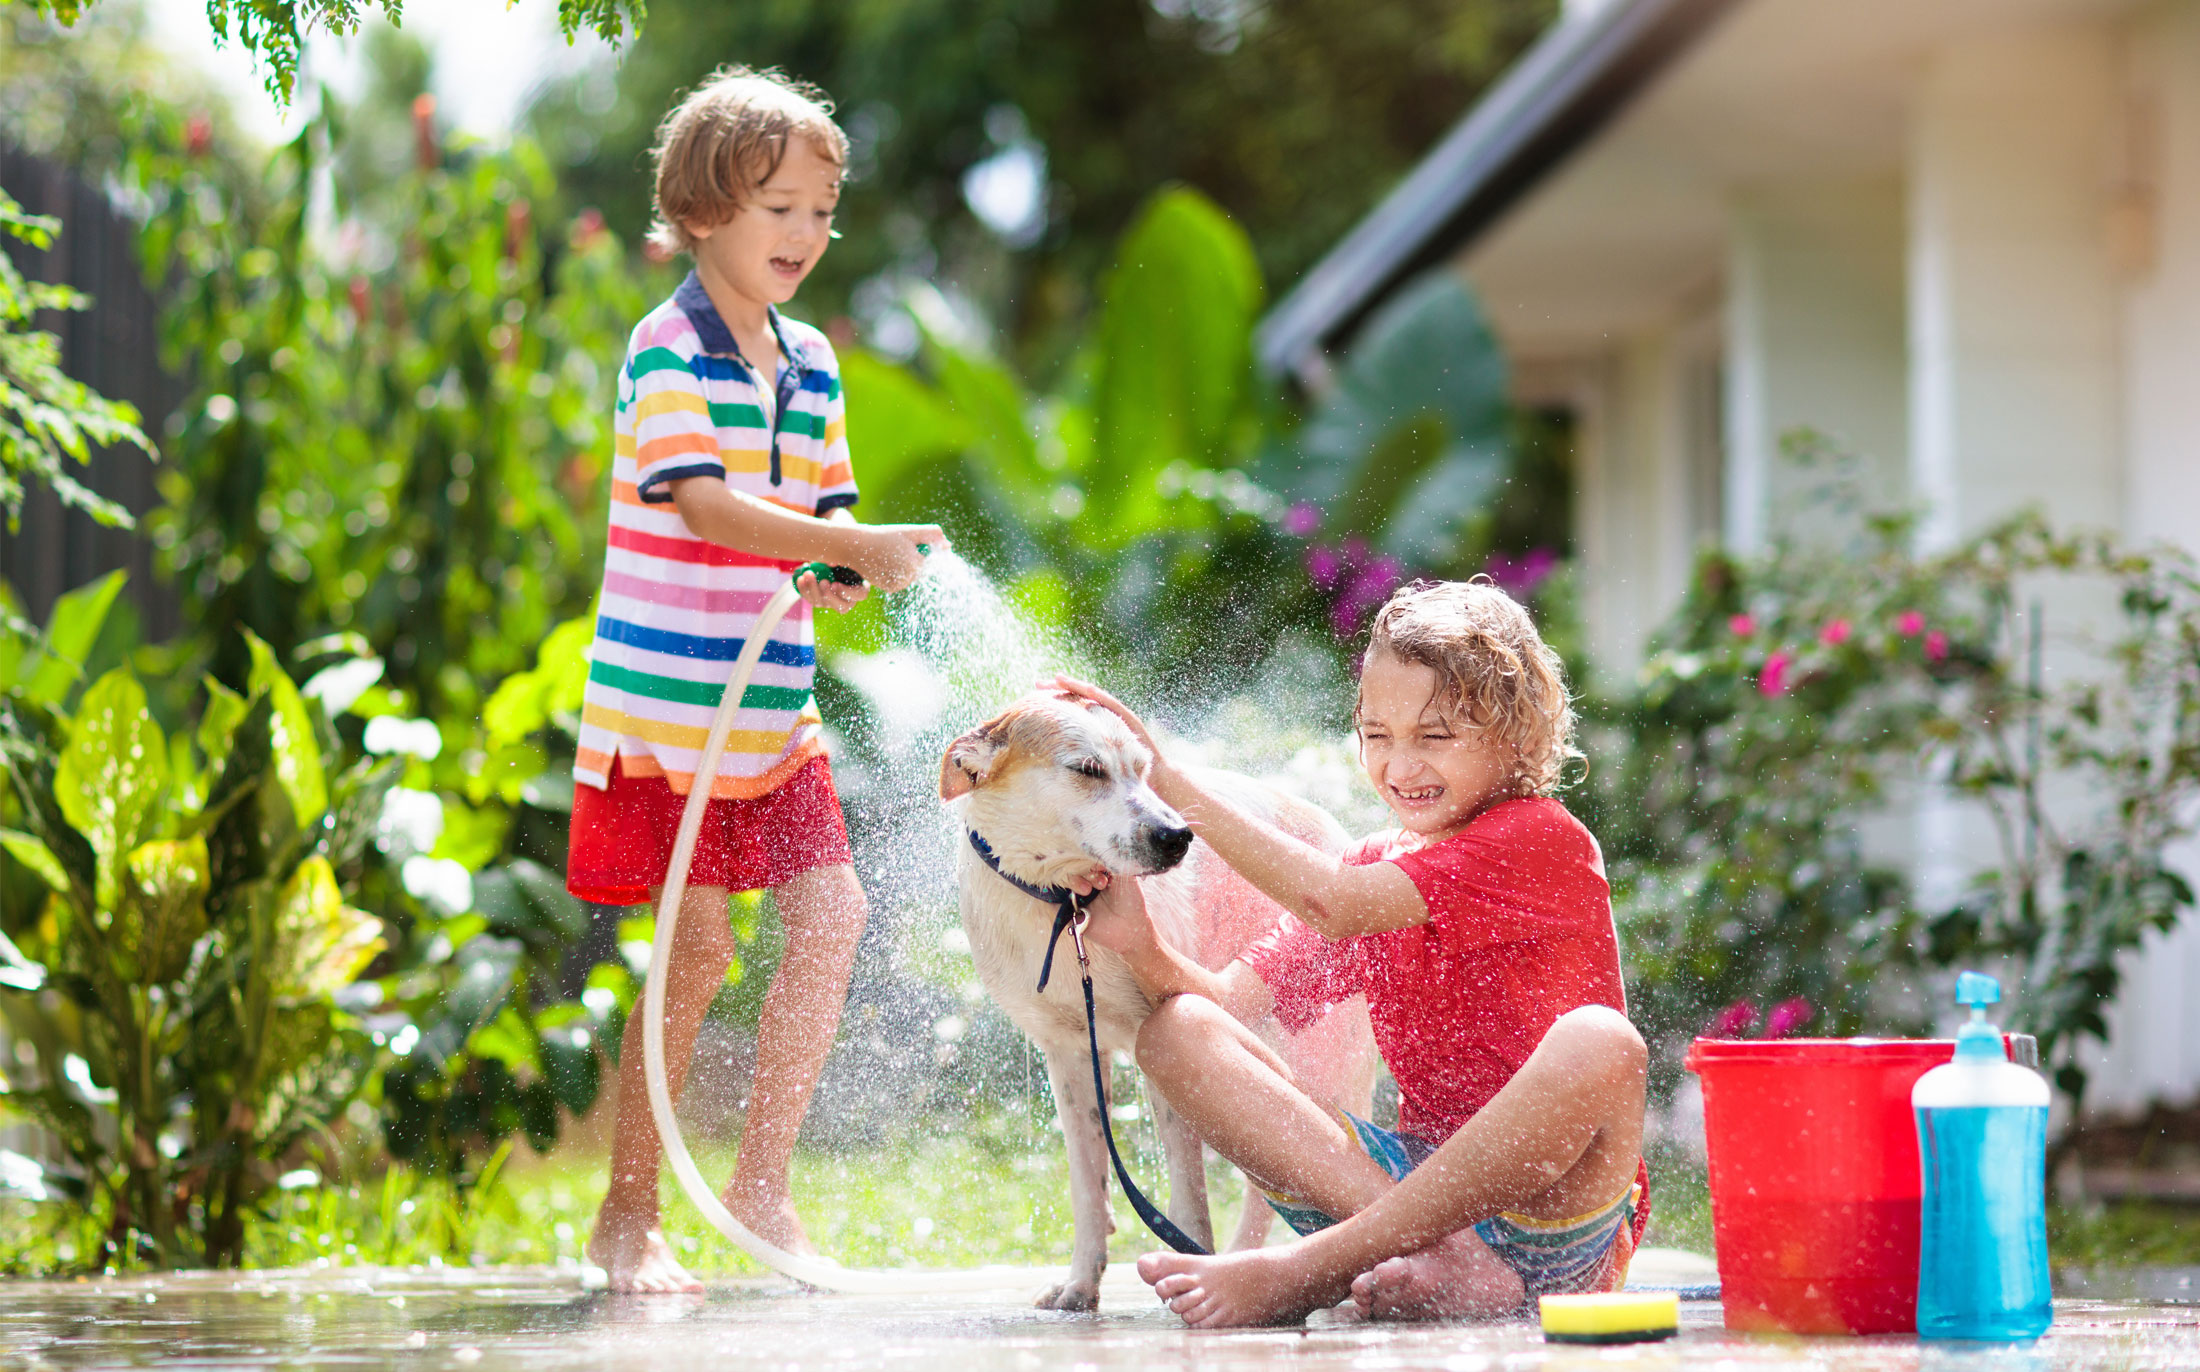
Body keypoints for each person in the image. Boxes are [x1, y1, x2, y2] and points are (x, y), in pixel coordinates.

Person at [565, 66, 944, 1295]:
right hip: (667, 716)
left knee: (830, 917)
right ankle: (629, 1214)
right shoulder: (664, 347)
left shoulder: (815, 358)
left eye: (821, 214)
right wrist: (838, 544)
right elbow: (709, 505)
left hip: (767, 711)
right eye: (779, 207)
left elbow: (818, 506)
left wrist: (843, 560)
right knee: (696, 953)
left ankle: (761, 1187)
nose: (805, 235)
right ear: (701, 208)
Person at [1056, 579, 1648, 1327]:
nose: (1400, 766)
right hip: (1406, 1200)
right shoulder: (1374, 864)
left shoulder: (1540, 838)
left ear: (1520, 738)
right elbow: (1227, 1008)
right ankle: (1446, 1266)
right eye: (1376, 734)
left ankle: (1311, 1268)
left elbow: (1334, 903)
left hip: (1559, 1215)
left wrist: (1171, 786)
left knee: (1601, 1041)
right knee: (1175, 1032)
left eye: (1435, 737)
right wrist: (1140, 946)